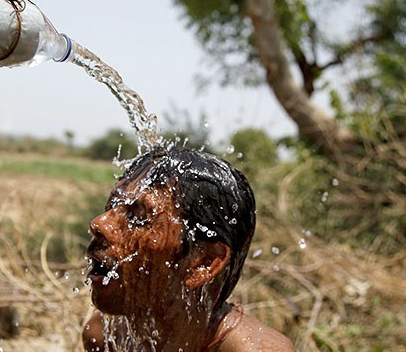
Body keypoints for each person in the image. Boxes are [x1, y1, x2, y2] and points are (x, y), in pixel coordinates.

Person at [82, 146, 294, 351]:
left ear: (204, 262)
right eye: (112, 205)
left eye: (138, 217)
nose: (100, 223)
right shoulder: (106, 338)